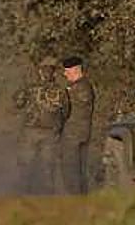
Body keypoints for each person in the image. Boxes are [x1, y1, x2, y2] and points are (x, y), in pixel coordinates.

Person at [13, 58, 67, 195]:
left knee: (25, 167)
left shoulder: (30, 88)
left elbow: (17, 104)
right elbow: (66, 111)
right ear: (54, 73)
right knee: (48, 168)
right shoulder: (61, 90)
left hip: (31, 131)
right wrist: (57, 125)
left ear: (40, 72)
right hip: (51, 133)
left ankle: (24, 198)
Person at [60, 55, 95, 195]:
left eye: (66, 71)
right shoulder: (87, 86)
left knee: (70, 173)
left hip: (72, 136)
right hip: (84, 134)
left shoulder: (74, 89)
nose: (64, 74)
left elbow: (64, 111)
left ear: (74, 70)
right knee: (81, 172)